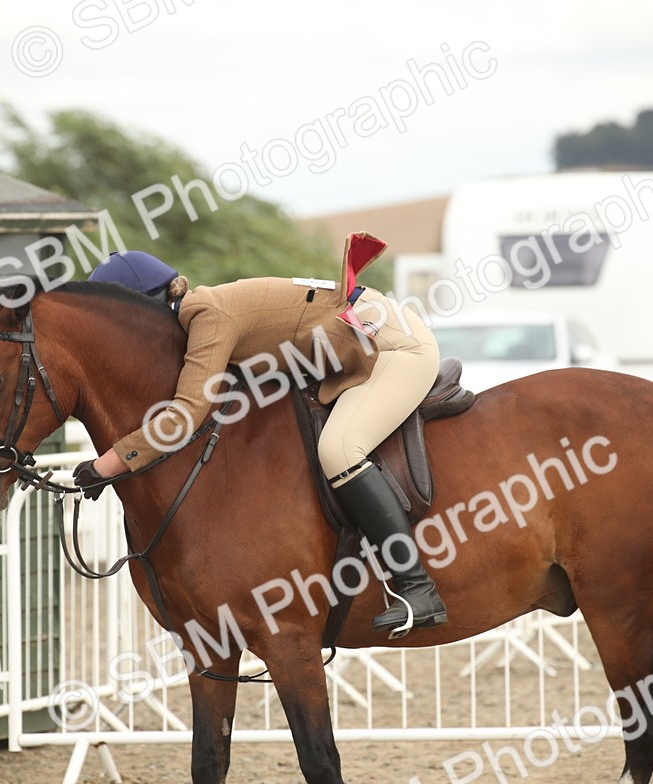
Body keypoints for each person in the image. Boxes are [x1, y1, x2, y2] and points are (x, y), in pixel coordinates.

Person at [71, 235, 448, 633]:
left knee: (339, 450)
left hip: (395, 349)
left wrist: (108, 464)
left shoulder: (206, 313)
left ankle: (417, 586)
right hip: (364, 335)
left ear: (146, 309)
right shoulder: (202, 308)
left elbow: (186, 414)